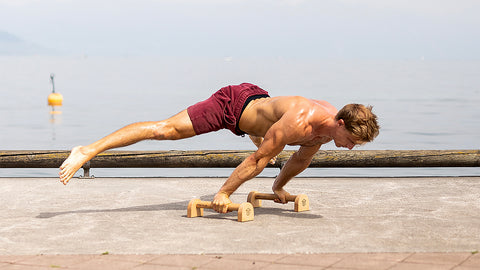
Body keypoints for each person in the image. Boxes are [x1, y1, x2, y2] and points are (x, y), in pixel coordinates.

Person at [59, 83, 379, 213]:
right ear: (340, 123)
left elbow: (301, 158)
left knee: (286, 148)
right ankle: (87, 150)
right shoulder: (302, 120)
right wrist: (224, 193)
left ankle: (259, 139)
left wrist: (279, 187)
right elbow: (257, 160)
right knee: (165, 131)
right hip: (232, 106)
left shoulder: (324, 133)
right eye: (351, 140)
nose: (351, 148)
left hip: (260, 108)